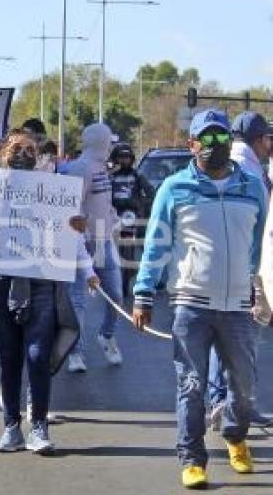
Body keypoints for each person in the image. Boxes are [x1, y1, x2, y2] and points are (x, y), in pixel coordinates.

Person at [132, 109, 267, 489]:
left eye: (221, 138)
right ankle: (192, 459)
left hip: (239, 305)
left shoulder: (253, 187)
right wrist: (143, 294)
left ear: (231, 141)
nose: (214, 146)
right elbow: (156, 245)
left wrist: (260, 289)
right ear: (192, 145)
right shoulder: (174, 188)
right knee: (191, 383)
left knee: (244, 384)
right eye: (206, 140)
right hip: (191, 303)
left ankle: (236, 436)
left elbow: (258, 249)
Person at [0, 130, 94, 454]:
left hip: (41, 282)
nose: (22, 155)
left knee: (38, 355)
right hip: (1, 283)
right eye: (16, 149)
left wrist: (85, 261)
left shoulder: (51, 191)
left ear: (38, 156)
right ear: (2, 152)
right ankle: (11, 427)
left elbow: (68, 234)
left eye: (29, 150)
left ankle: (39, 427)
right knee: (9, 356)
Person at [206, 111, 273, 431]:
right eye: (268, 139)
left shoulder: (239, 162)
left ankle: (236, 403)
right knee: (234, 336)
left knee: (237, 337)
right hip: (240, 265)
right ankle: (225, 403)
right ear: (258, 140)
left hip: (227, 263)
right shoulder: (247, 167)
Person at [62, 123, 124, 371]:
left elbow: (102, 201)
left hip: (104, 241)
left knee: (116, 294)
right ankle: (74, 352)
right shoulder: (80, 168)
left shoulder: (100, 167)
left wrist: (113, 218)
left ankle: (106, 335)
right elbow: (70, 205)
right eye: (109, 141)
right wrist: (80, 233)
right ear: (101, 142)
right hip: (81, 243)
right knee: (77, 300)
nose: (112, 146)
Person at [109, 143, 152, 298]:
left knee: (132, 250)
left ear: (132, 159)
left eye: (127, 157)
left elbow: (150, 192)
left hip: (130, 217)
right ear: (115, 158)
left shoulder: (137, 176)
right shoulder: (109, 176)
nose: (124, 160)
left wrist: (142, 205)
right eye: (121, 157)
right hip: (111, 216)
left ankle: (129, 275)